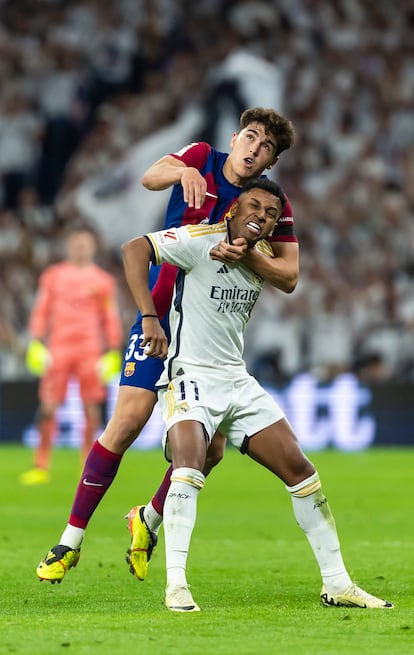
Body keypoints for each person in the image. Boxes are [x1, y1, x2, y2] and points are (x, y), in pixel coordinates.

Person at [36, 107, 299, 582]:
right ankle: (68, 542)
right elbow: (150, 176)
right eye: (251, 138)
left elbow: (289, 274)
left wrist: (250, 258)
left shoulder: (269, 204)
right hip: (157, 318)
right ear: (236, 136)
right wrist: (185, 171)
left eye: (266, 148)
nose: (253, 150)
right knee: (127, 422)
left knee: (212, 449)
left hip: (209, 338)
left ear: (271, 161)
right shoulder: (202, 156)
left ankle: (149, 518)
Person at [121, 178, 394, 612]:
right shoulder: (198, 242)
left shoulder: (263, 257)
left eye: (270, 214)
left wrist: (248, 252)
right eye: (254, 206)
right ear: (231, 210)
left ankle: (338, 583)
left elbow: (290, 279)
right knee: (189, 466)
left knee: (302, 471)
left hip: (236, 379)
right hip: (189, 373)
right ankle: (176, 586)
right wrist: (150, 318)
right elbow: (134, 249)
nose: (262, 216)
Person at [20, 225, 123, 485]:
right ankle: (40, 466)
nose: (80, 248)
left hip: (89, 350)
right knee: (48, 407)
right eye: (77, 243)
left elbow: (109, 317)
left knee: (91, 410)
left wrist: (113, 349)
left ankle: (87, 466)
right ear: (70, 246)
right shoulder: (54, 276)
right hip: (59, 348)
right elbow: (42, 308)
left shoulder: (102, 281)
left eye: (85, 244)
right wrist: (35, 341)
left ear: (92, 247)